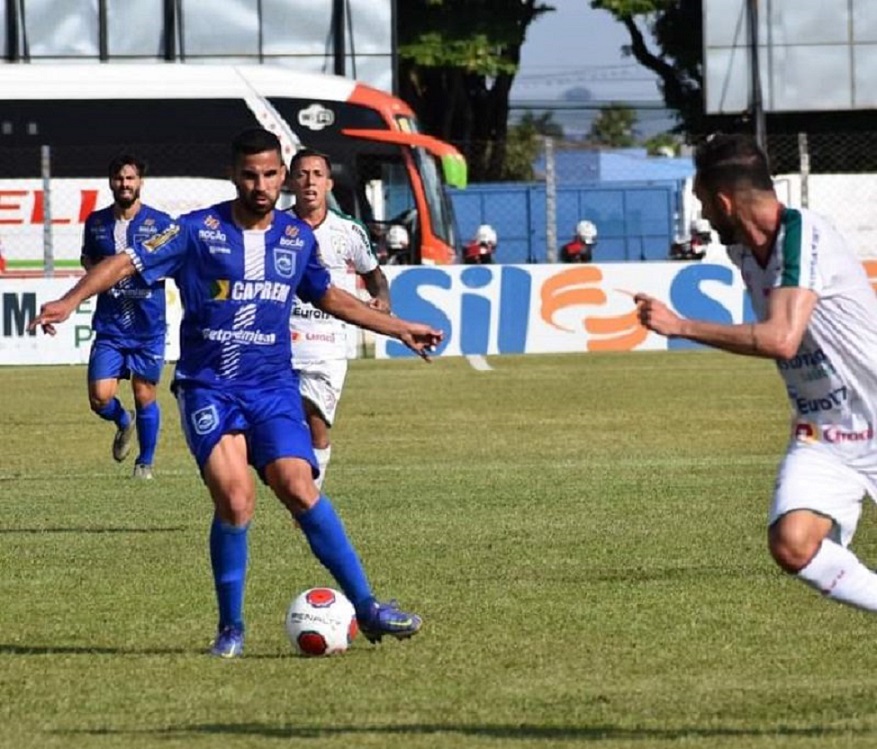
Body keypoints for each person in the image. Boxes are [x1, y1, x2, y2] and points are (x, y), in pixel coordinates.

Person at [31, 127, 443, 658]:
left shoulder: (296, 238)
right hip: (210, 388)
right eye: (250, 174)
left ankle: (367, 607)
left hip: (271, 387)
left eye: (270, 174)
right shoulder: (195, 231)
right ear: (235, 175)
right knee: (236, 499)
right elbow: (125, 261)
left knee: (298, 488)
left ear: (282, 174)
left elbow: (333, 297)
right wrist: (68, 302)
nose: (261, 184)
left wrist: (399, 327)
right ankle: (231, 629)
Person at [635, 133, 877, 616]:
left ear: (724, 200)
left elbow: (781, 339)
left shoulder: (804, 232)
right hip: (825, 432)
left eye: (704, 202)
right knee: (792, 544)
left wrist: (679, 325)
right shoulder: (743, 250)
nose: (703, 214)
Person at [286, 148, 391, 491]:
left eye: (317, 174)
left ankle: (311, 495)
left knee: (315, 421)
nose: (310, 181)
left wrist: (382, 301)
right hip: (279, 344)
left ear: (329, 183)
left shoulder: (349, 231)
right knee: (279, 425)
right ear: (290, 181)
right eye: (302, 174)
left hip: (326, 346)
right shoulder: (277, 228)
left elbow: (375, 276)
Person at [80, 153, 174, 480]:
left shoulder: (160, 223)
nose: (125, 184)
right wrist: (101, 275)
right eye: (120, 178)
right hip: (110, 326)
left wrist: (137, 272)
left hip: (147, 326)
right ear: (111, 182)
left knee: (144, 392)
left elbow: (173, 261)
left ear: (140, 183)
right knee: (99, 397)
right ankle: (123, 421)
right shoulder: (96, 223)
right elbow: (88, 259)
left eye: (130, 178)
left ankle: (144, 464)